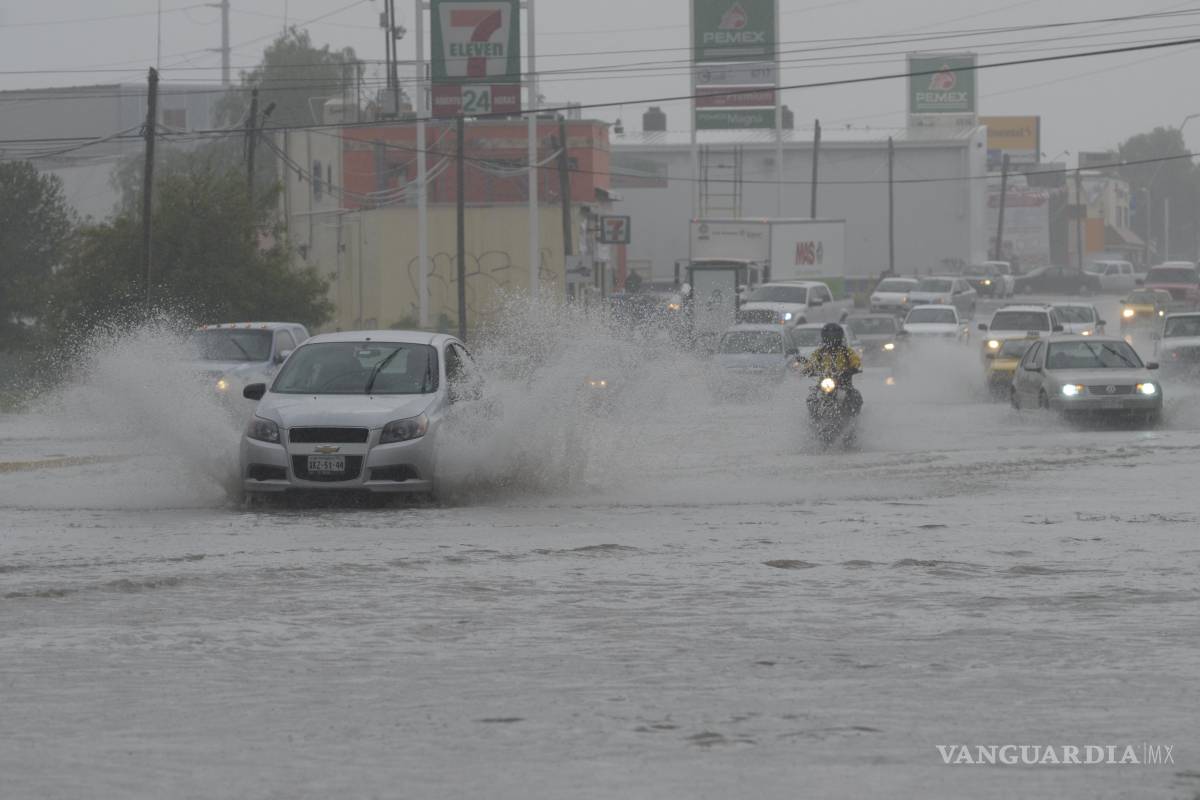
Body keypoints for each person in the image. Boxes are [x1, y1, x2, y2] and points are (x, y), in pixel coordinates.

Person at [798, 322, 864, 415]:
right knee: (812, 398)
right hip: (823, 384)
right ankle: (813, 417)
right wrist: (808, 369)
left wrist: (853, 368)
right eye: (829, 337)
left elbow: (855, 360)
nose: (832, 340)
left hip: (843, 382)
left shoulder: (846, 351)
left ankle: (853, 418)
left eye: (834, 337)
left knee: (854, 397)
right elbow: (812, 362)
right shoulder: (820, 352)